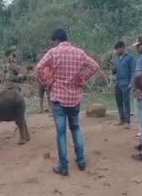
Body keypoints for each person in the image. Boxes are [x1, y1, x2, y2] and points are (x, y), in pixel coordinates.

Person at [36, 29, 99, 176]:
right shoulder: (79, 52)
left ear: (57, 40)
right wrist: (83, 78)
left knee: (61, 133)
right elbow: (95, 66)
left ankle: (63, 166)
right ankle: (81, 161)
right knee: (76, 128)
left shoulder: (53, 52)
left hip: (58, 98)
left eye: (54, 41)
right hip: (74, 98)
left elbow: (39, 67)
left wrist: (47, 82)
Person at [112, 41, 135, 129]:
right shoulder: (117, 59)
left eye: (117, 49)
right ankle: (122, 119)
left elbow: (133, 71)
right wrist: (114, 70)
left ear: (122, 48)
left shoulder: (130, 58)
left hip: (126, 83)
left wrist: (131, 83)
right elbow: (115, 70)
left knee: (126, 102)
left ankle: (128, 121)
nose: (117, 51)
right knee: (118, 101)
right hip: (117, 82)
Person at [36, 46, 52, 114]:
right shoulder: (40, 63)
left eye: (45, 54)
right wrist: (39, 80)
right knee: (40, 96)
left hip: (48, 82)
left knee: (49, 96)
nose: (44, 56)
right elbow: (37, 72)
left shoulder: (50, 64)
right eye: (43, 54)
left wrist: (50, 81)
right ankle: (40, 108)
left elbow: (52, 73)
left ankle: (50, 109)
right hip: (40, 82)